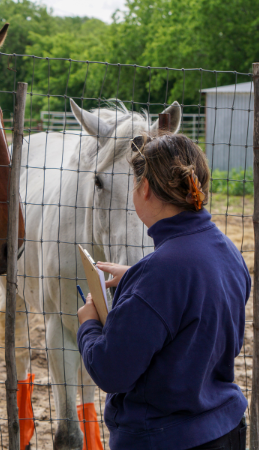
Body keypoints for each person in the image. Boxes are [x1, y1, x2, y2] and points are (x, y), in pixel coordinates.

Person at [77, 133, 249, 450]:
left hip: (163, 438)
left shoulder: (160, 275)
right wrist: (135, 277)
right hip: (225, 427)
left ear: (144, 189)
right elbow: (198, 294)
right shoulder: (227, 251)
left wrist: (88, 323)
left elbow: (111, 371)